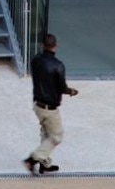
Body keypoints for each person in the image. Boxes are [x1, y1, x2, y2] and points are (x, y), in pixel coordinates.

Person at [24, 33, 79, 175]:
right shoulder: (58, 65)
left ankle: (45, 164)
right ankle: (33, 159)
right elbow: (62, 87)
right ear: (56, 46)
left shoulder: (35, 60)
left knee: (46, 134)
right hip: (50, 108)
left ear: (43, 46)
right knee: (56, 136)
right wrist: (71, 91)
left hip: (37, 105)